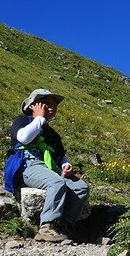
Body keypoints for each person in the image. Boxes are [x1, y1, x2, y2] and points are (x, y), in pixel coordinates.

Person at [10, 88, 90, 242]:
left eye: (54, 103)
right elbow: (23, 138)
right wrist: (39, 118)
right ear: (33, 105)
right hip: (28, 166)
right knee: (56, 182)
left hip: (49, 168)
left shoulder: (52, 133)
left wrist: (66, 165)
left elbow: (60, 155)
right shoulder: (22, 121)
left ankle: (66, 225)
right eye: (46, 102)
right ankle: (47, 226)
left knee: (80, 187)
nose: (52, 106)